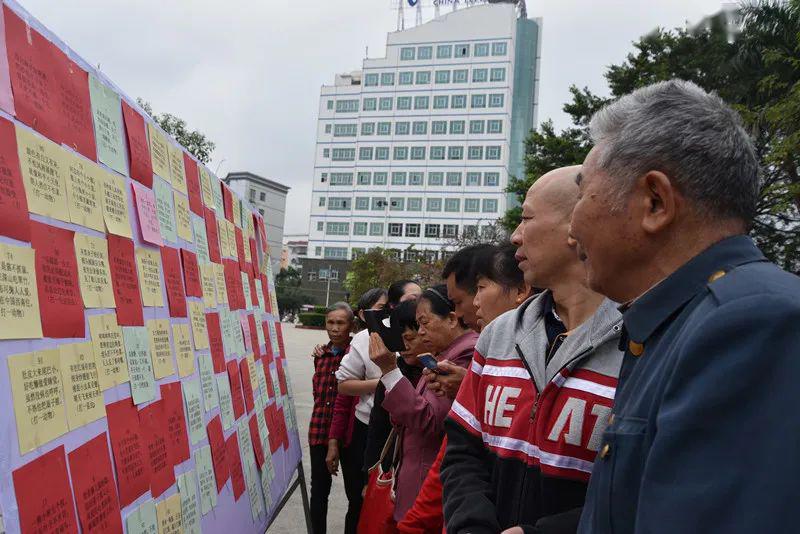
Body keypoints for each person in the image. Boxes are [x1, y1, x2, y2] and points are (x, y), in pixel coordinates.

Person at [571, 80, 800, 534]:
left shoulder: (751, 325)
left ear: (655, 201)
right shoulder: (681, 321)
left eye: (581, 194)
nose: (572, 223)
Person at [441, 167, 624, 533]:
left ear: (577, 224)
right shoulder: (499, 335)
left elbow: (638, 488)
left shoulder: (642, 344)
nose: (515, 236)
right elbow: (463, 450)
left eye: (526, 218)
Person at [397, 245, 530, 534]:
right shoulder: (483, 353)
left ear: (521, 289)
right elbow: (459, 456)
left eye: (480, 289)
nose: (462, 309)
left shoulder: (475, 352)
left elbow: (432, 424)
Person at [370, 285, 479, 524]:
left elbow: (429, 421)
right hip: (414, 477)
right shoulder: (442, 355)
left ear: (452, 319)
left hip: (428, 482)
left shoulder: (463, 354)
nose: (420, 333)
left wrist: (389, 370)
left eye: (424, 323)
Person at [326, 288, 387, 534]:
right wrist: (333, 442)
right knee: (358, 501)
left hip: (394, 432)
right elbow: (341, 400)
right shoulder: (359, 345)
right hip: (361, 433)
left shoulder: (409, 337)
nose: (334, 328)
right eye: (382, 308)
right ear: (363, 315)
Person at [362, 299, 425, 473]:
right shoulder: (393, 372)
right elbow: (378, 425)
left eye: (410, 338)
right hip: (393, 469)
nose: (404, 346)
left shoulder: (441, 373)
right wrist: (370, 471)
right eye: (399, 339)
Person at [308, 302, 354, 534]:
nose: (335, 328)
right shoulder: (321, 355)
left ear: (351, 326)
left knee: (354, 493)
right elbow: (318, 394)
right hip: (319, 431)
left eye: (340, 323)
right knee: (318, 492)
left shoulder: (355, 355)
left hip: (347, 435)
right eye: (330, 322)